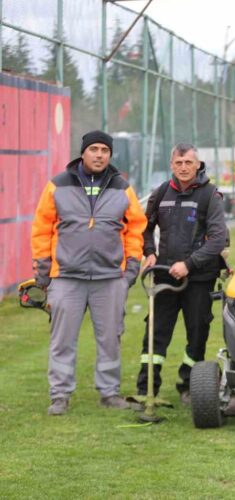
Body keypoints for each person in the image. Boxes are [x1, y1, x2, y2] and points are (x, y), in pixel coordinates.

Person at [31, 130, 147, 416]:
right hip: (66, 277)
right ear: (82, 153)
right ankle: (60, 396)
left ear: (110, 155)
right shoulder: (57, 185)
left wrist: (130, 269)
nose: (99, 154)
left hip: (110, 279)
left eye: (104, 150)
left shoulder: (123, 188)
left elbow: (136, 228)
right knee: (62, 340)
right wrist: (43, 274)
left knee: (110, 339)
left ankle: (109, 393)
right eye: (93, 149)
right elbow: (41, 229)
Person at [136, 143, 227, 404]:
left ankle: (188, 384)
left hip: (198, 277)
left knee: (197, 332)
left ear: (198, 165)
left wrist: (189, 264)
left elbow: (218, 239)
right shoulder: (161, 192)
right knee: (155, 332)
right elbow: (145, 226)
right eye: (179, 163)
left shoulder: (210, 195)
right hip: (164, 275)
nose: (184, 167)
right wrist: (150, 251)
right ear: (172, 165)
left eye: (189, 162)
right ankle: (146, 388)